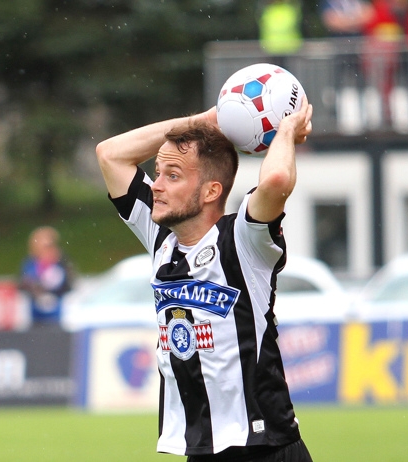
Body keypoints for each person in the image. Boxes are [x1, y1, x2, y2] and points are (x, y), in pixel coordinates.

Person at [95, 94, 314, 461]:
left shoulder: (243, 241)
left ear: (212, 191)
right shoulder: (163, 237)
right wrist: (207, 119)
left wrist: (285, 130)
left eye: (173, 175)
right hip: (201, 449)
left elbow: (276, 179)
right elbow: (110, 154)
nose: (156, 185)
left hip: (263, 447)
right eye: (158, 172)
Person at [18, 226, 73, 325]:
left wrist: (54, 295)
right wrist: (38, 293)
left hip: (58, 313)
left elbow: (69, 283)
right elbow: (22, 284)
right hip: (35, 313)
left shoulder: (62, 262)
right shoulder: (30, 263)